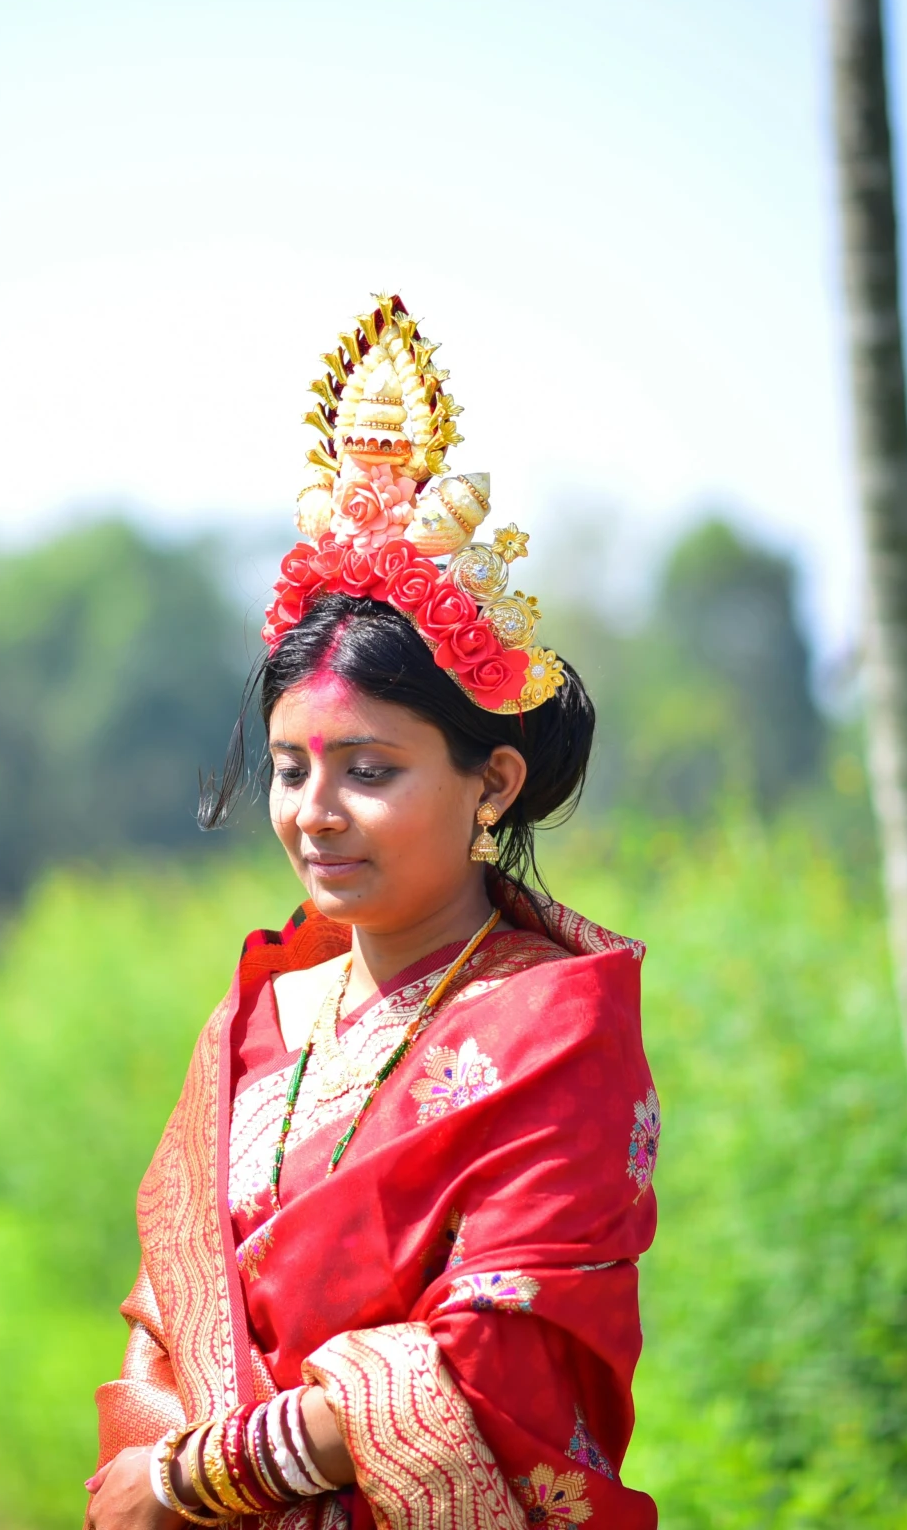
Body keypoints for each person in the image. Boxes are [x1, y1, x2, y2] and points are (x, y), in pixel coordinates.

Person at [84, 297, 661, 1530]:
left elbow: (491, 1358)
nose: (316, 810)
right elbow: (166, 1310)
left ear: (490, 781)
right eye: (292, 768)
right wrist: (153, 1457)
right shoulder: (257, 1020)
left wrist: (193, 1478)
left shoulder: (552, 1027)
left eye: (372, 769)